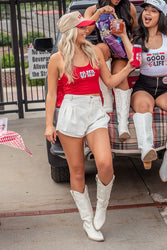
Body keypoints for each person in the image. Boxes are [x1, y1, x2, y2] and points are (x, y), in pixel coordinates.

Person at [45, 11, 135, 242]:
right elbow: (51, 94)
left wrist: (127, 69)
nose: (88, 30)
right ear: (71, 31)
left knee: (105, 163)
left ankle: (101, 208)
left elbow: (109, 82)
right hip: (71, 112)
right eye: (83, 28)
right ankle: (88, 221)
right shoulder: (57, 59)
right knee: (76, 172)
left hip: (95, 110)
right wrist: (48, 125)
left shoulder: (94, 51)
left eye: (87, 27)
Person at [120, 0, 167, 176]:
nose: (147, 13)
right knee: (142, 106)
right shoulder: (138, 36)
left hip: (164, 87)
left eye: (153, 11)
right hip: (144, 86)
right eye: (146, 9)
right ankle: (146, 150)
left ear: (161, 16)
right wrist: (125, 36)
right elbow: (134, 60)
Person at [84, 0, 138, 142]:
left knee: (120, 73)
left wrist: (126, 43)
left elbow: (137, 31)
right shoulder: (92, 10)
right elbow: (85, 30)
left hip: (122, 55)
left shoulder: (129, 7)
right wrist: (99, 12)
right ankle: (107, 101)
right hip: (103, 56)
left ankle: (123, 125)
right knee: (101, 47)